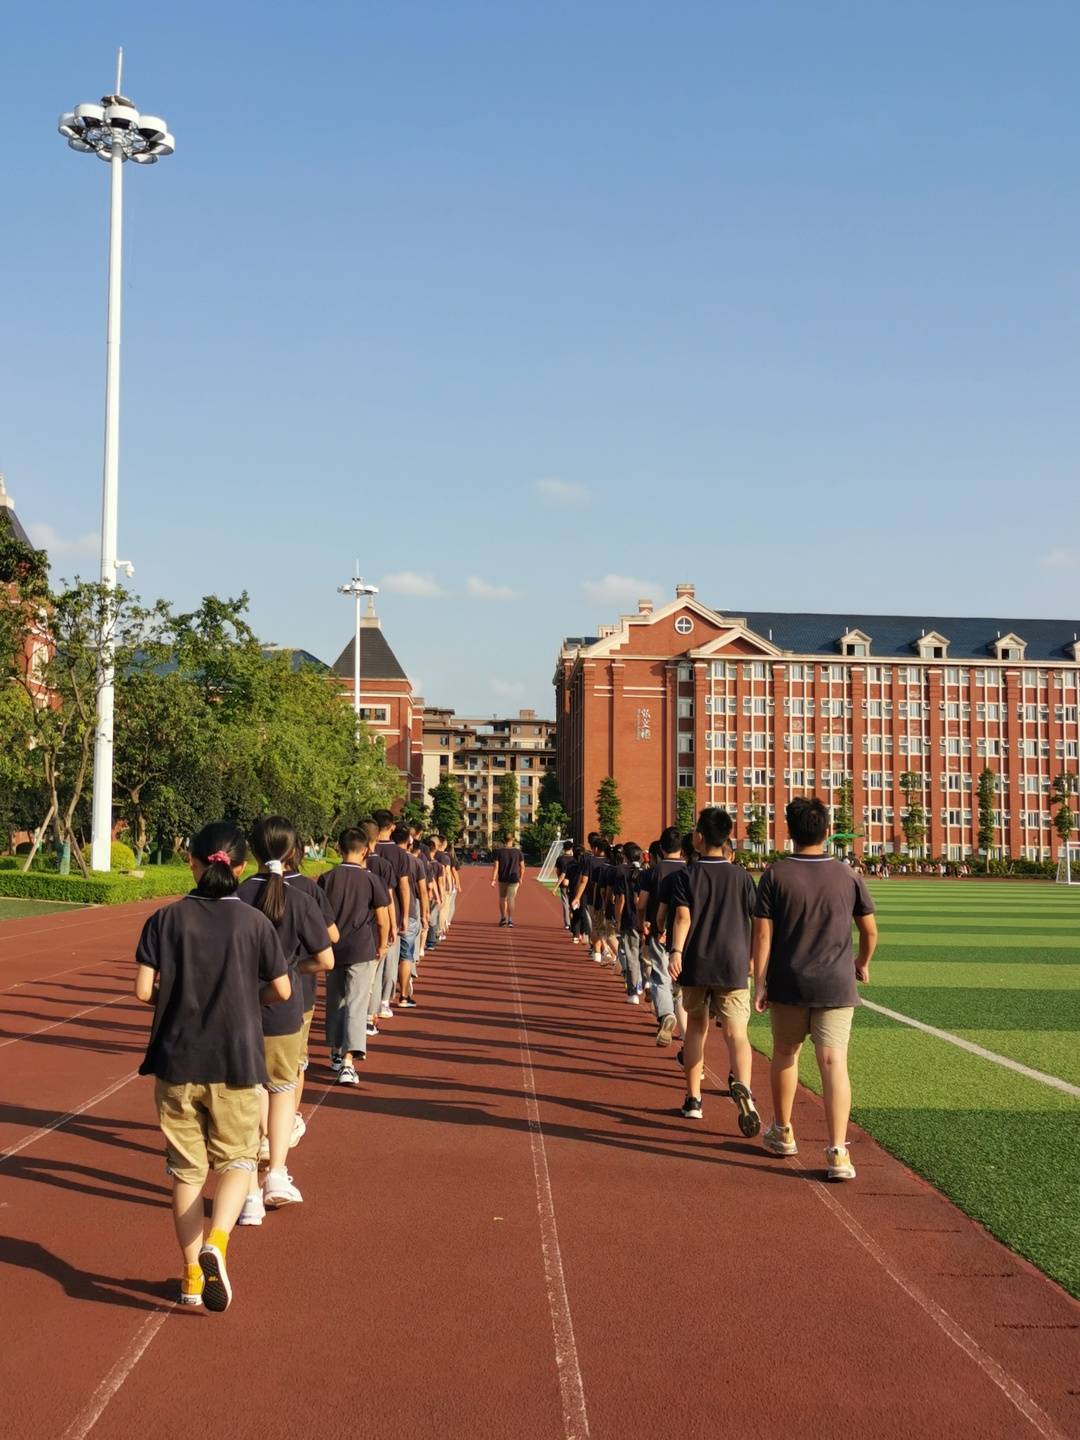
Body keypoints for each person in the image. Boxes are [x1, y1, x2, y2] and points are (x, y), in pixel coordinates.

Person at [134, 821, 291, 1312]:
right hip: (238, 1060)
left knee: (185, 1171)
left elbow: (143, 990)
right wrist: (248, 998)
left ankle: (188, 1278)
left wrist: (176, 999)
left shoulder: (165, 919)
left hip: (177, 1060)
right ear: (241, 869)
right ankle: (216, 1245)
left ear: (191, 861)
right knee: (240, 1160)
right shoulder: (254, 923)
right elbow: (282, 991)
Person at [752, 796, 878, 1180]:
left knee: (786, 1054)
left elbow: (762, 934)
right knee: (833, 1062)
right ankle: (838, 1151)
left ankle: (782, 1130)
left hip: (789, 981)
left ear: (789, 831)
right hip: (836, 983)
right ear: (827, 831)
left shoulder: (774, 875)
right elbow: (869, 930)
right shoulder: (848, 875)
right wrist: (862, 963)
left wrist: (759, 981)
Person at [236, 816, 334, 1219]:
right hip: (284, 1010)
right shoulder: (301, 899)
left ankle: (247, 1197)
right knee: (281, 1089)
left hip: (240, 1009)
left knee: (249, 1093)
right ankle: (276, 1173)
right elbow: (326, 958)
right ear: (294, 851)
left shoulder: (238, 895)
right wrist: (291, 969)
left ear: (252, 853)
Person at [667, 807, 760, 1134]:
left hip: (696, 961)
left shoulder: (686, 876)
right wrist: (754, 959)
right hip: (733, 964)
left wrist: (676, 951)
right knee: (737, 1033)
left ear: (700, 837)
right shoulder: (742, 878)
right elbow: (757, 920)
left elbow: (682, 918)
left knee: (696, 1029)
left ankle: (693, 1100)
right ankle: (744, 1087)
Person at [319, 828, 391, 1084]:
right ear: (366, 851)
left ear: (339, 849)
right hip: (362, 948)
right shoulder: (372, 880)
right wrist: (383, 945)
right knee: (357, 1004)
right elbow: (382, 918)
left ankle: (336, 1053)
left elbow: (319, 917)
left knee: (335, 1001)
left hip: (333, 949)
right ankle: (349, 1062)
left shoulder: (327, 878)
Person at [638, 826, 689, 1045]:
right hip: (686, 934)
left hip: (660, 931)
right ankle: (687, 1036)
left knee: (660, 976)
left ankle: (667, 1014)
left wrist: (643, 922)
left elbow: (642, 903)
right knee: (681, 985)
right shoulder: (690, 870)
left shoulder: (653, 871)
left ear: (661, 847)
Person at [373, 810, 411, 1016]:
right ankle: (384, 1001)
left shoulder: (365, 849)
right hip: (390, 910)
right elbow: (403, 887)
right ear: (392, 827)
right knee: (388, 959)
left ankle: (369, 1002)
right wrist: (404, 915)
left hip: (367, 912)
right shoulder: (399, 854)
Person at [362, 819, 398, 1029]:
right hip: (376, 928)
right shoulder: (383, 866)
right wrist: (393, 926)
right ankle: (368, 1018)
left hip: (351, 931)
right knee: (373, 976)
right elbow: (389, 900)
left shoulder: (337, 872)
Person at [612, 842, 646, 1002]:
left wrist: (617, 920)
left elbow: (621, 899)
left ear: (625, 856)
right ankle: (645, 982)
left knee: (631, 954)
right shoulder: (645, 872)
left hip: (629, 918)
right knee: (645, 954)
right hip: (645, 919)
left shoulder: (621, 872)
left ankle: (633, 991)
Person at [491, 830, 525, 926]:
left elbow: (496, 867)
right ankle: (510, 919)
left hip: (502, 878)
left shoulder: (498, 852)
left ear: (503, 840)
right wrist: (521, 877)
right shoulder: (518, 852)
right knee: (511, 899)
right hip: (514, 879)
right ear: (512, 840)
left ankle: (503, 918)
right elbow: (522, 866)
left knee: (502, 898)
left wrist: (493, 879)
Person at [555, 841, 575, 929]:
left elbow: (558, 871)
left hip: (563, 884)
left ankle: (567, 923)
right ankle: (574, 921)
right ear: (571, 848)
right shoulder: (575, 858)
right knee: (573, 902)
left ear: (563, 848)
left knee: (565, 902)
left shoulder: (560, 859)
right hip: (573, 883)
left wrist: (556, 885)